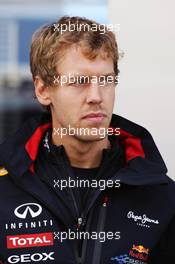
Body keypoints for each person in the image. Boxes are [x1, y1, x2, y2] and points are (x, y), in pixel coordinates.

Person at [0, 16, 174, 264]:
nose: (96, 96)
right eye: (79, 82)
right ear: (43, 90)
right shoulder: (6, 189)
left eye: (106, 80)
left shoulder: (160, 195)